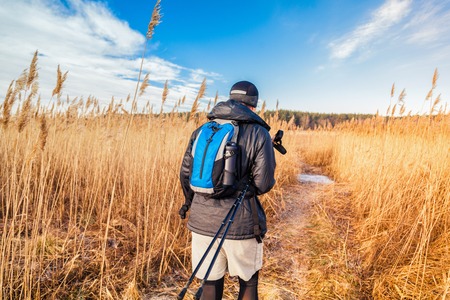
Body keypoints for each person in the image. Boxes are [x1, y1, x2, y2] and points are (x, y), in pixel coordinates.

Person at [179, 81, 276, 300]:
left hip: (202, 223)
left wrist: (189, 203)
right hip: (241, 224)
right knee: (248, 283)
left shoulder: (203, 130)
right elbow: (264, 184)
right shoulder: (259, 133)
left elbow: (186, 174)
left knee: (210, 283)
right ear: (253, 105)